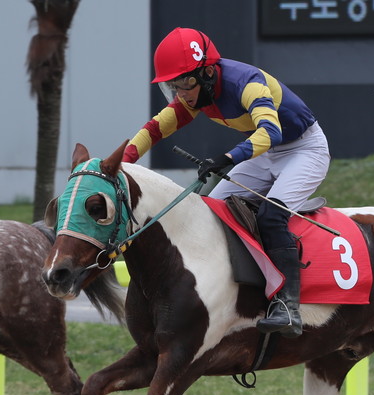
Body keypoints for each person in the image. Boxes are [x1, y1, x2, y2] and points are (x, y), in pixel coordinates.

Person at [122, 27, 331, 338]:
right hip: (264, 151)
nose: (181, 94)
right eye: (174, 86)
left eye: (185, 84)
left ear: (207, 72)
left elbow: (270, 132)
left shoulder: (247, 83)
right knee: (211, 210)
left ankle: (289, 308)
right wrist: (120, 163)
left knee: (271, 215)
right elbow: (156, 128)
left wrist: (230, 157)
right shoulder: (196, 92)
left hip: (304, 149)